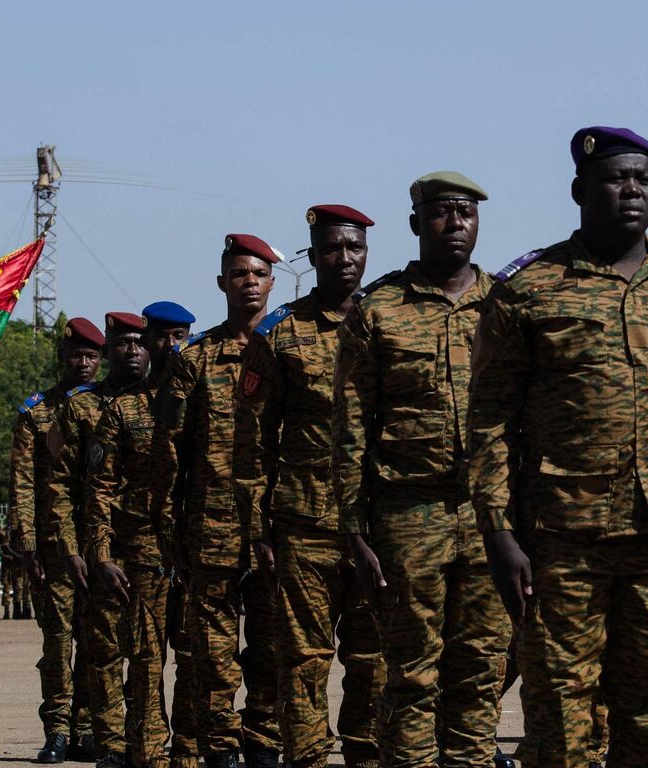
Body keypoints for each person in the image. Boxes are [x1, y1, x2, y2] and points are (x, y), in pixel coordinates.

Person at [469, 128, 648, 768]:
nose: (631, 191)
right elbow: (488, 421)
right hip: (560, 538)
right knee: (560, 717)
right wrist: (498, 531)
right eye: (615, 179)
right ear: (579, 190)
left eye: (642, 180)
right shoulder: (529, 290)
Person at [334, 173, 510, 768]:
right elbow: (352, 424)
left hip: (491, 519)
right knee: (410, 678)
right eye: (441, 213)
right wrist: (355, 531)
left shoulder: (506, 306)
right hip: (408, 515)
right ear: (416, 224)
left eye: (466, 212)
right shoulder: (378, 310)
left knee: (482, 673)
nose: (455, 223)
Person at [237, 204, 384, 768]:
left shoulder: (387, 322)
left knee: (374, 658)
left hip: (376, 524)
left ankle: (368, 757)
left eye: (354, 249)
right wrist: (260, 529)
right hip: (304, 528)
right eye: (331, 249)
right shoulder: (280, 335)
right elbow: (251, 442)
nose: (344, 260)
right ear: (314, 255)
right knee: (303, 660)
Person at [152, 234, 284, 768]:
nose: (249, 283)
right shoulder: (197, 359)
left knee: (273, 647)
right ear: (222, 283)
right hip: (211, 530)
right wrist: (169, 531)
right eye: (238, 274)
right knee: (213, 652)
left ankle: (266, 743)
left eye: (257, 274)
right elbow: (169, 457)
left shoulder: (291, 350)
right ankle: (223, 749)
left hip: (280, 527)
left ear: (271, 282)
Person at [54, 312, 153, 768]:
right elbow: (60, 487)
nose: (132, 351)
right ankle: (106, 741)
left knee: (150, 654)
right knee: (103, 649)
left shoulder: (165, 402)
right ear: (107, 350)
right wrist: (73, 548)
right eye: (122, 344)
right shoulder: (79, 407)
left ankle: (144, 739)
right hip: (100, 546)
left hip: (155, 547)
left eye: (139, 343)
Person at [11, 317, 107, 762]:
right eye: (76, 356)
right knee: (57, 640)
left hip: (101, 544)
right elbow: (24, 484)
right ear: (62, 358)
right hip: (51, 548)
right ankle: (57, 728)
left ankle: (87, 728)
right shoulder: (37, 412)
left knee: (97, 639)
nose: (84, 363)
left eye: (91, 356)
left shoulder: (111, 406)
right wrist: (28, 546)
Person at [128, 303, 193, 768]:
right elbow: (101, 488)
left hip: (197, 548)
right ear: (147, 341)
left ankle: (189, 750)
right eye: (163, 337)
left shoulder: (207, 399)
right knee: (147, 657)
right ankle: (148, 750)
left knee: (196, 656)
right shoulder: (124, 407)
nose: (171, 346)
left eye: (180, 336)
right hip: (144, 550)